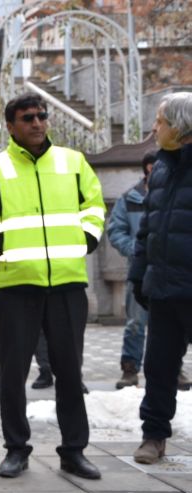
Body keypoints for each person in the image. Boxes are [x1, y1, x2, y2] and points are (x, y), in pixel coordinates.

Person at [0, 93, 106, 480]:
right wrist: (0, 246)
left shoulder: (72, 162)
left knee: (70, 373)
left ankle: (74, 450)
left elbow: (94, 205)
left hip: (66, 283)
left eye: (42, 116)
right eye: (28, 117)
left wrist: (87, 238)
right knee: (13, 372)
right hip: (15, 286)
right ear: (11, 126)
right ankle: (16, 449)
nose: (38, 122)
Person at [130, 92, 192, 464]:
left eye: (161, 121)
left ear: (181, 127)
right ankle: (154, 435)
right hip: (165, 288)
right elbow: (148, 228)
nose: (154, 128)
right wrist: (139, 275)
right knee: (158, 366)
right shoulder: (163, 169)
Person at [108, 151, 156, 389]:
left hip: (169, 271)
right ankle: (130, 369)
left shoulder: (175, 196)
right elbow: (116, 231)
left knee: (169, 323)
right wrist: (135, 250)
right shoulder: (130, 199)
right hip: (140, 270)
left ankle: (173, 368)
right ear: (147, 169)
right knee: (135, 322)